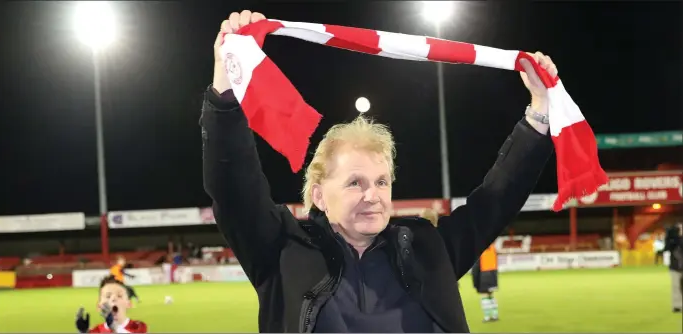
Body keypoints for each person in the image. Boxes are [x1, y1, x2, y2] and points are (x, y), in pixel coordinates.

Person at [202, 10, 556, 332]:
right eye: (355, 182)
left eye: (381, 182)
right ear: (320, 195)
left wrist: (539, 111)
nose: (373, 195)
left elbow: (496, 199)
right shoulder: (281, 251)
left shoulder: (428, 250)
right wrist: (226, 81)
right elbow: (234, 185)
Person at [75, 276, 147, 333]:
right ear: (99, 306)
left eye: (119, 296)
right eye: (108, 296)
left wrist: (114, 327)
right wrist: (83, 332)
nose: (113, 299)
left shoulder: (138, 326)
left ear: (129, 304)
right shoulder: (96, 331)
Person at [471, 243, 500, 322]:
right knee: (491, 295)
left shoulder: (480, 249)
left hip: (484, 275)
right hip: (493, 274)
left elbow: (476, 268)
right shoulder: (493, 248)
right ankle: (495, 315)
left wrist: (475, 283)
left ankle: (487, 317)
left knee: (484, 296)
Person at [663, 222, 683, 313]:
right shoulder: (672, 241)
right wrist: (670, 236)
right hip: (675, 266)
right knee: (676, 287)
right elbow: (667, 248)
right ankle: (677, 306)